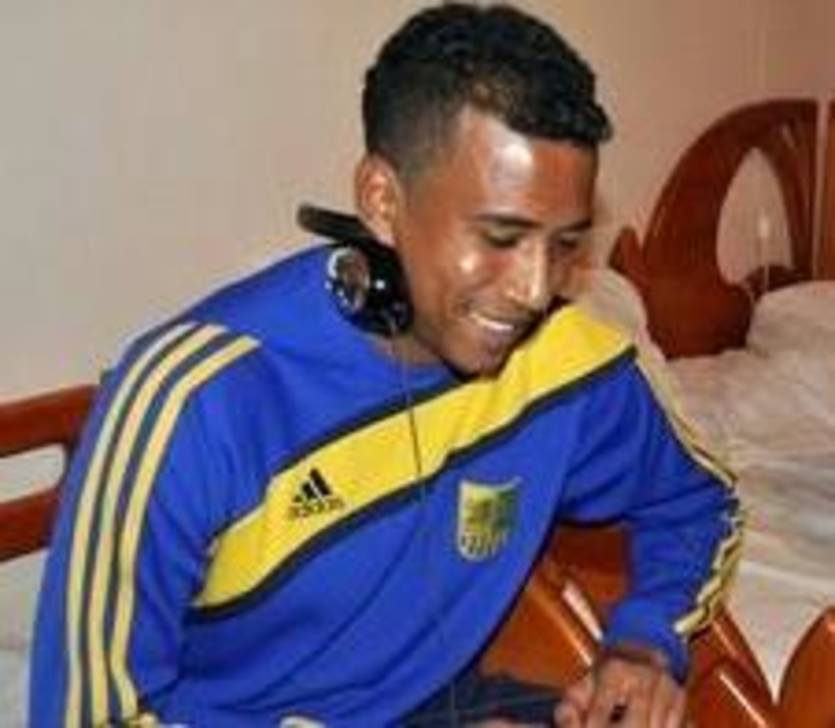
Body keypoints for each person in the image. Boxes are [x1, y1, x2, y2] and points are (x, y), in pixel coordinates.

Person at [30, 3, 741, 726]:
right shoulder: (193, 403)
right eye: (501, 237)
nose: (533, 289)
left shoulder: (568, 362)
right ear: (381, 199)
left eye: (563, 245)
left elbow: (696, 502)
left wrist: (644, 644)